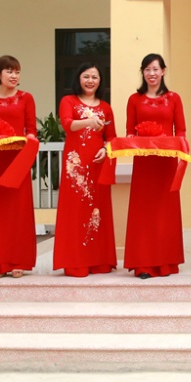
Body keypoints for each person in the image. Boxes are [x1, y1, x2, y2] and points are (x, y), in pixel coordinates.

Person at [124, 53, 187, 279]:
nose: (152, 73)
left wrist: (178, 148)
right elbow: (129, 131)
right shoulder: (134, 99)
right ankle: (143, 264)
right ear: (143, 72)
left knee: (165, 211)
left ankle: (165, 262)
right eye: (147, 69)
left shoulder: (174, 98)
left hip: (166, 161)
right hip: (144, 162)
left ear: (163, 71)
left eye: (156, 69)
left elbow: (181, 130)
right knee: (144, 212)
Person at [0, 55, 38, 278]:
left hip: (17, 159)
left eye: (17, 72)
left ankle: (18, 261)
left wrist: (28, 143)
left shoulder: (26, 98)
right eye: (9, 71)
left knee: (18, 210)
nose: (14, 76)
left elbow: (31, 130)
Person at [53, 63, 117, 277]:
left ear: (100, 81)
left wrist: (105, 149)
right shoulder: (68, 101)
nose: (90, 81)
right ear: (78, 78)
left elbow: (112, 137)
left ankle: (98, 260)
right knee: (75, 211)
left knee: (97, 210)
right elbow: (68, 124)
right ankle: (75, 261)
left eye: (95, 77)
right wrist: (89, 121)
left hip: (97, 164)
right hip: (76, 167)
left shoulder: (106, 107)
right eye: (86, 76)